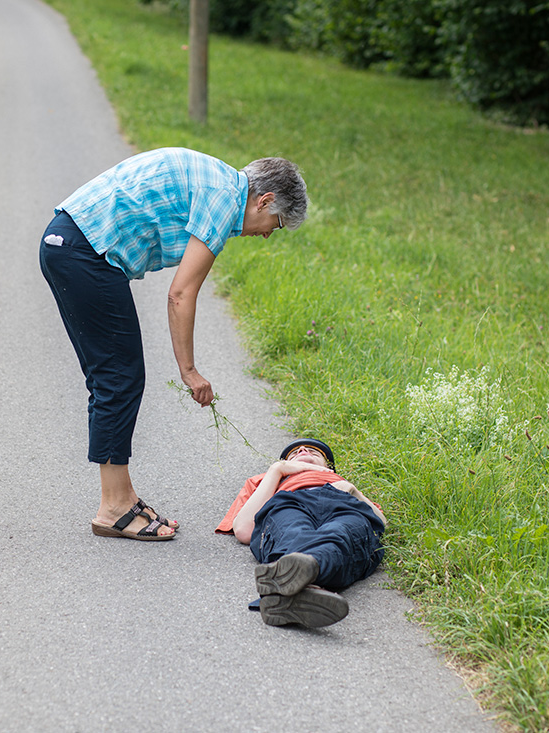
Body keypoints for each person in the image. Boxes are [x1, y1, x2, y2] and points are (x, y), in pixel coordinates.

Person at [39, 147, 309, 541]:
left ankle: (123, 497)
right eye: (276, 223)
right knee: (118, 377)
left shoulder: (219, 183)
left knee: (116, 375)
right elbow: (180, 294)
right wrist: (189, 371)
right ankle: (112, 507)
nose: (268, 234)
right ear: (264, 200)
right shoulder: (223, 199)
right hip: (84, 253)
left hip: (69, 243)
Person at [216, 439, 386, 627]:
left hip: (344, 504)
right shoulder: (267, 479)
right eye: (294, 453)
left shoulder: (341, 482)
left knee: (340, 535)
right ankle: (304, 587)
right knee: (293, 531)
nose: (303, 449)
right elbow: (244, 530)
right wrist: (276, 471)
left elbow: (381, 522)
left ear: (328, 466)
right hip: (290, 501)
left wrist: (353, 492)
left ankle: (290, 590)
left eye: (314, 451)